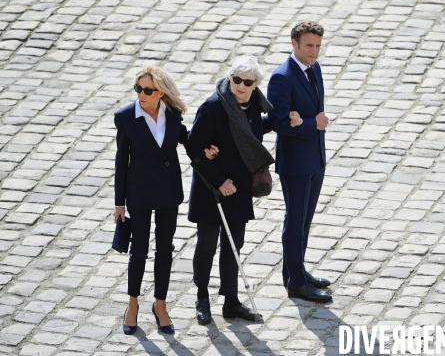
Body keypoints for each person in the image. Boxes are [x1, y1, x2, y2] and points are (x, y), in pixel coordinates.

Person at [186, 55, 303, 325]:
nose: (240, 86)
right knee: (206, 246)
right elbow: (194, 146)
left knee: (233, 247)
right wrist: (219, 181)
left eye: (247, 82)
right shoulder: (213, 106)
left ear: (254, 85)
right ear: (230, 79)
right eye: (236, 80)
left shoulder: (253, 108)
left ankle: (231, 302)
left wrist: (287, 117)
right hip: (211, 188)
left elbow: (256, 130)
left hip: (238, 188)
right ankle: (202, 298)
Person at [113, 66, 218, 335]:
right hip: (138, 192)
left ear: (160, 92)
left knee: (165, 249)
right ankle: (132, 304)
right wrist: (119, 203)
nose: (141, 94)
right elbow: (121, 162)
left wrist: (205, 149)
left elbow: (185, 139)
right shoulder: (126, 117)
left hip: (168, 191)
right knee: (139, 251)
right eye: (138, 88)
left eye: (147, 90)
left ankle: (160, 305)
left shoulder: (172, 113)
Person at [267, 21, 332, 303]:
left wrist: (305, 122)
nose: (314, 51)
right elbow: (279, 122)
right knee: (295, 222)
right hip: (294, 163)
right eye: (309, 46)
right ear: (294, 44)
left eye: (317, 46)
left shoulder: (313, 67)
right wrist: (311, 124)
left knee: (305, 221)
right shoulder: (282, 77)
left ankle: (297, 271)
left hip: (315, 158)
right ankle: (296, 282)